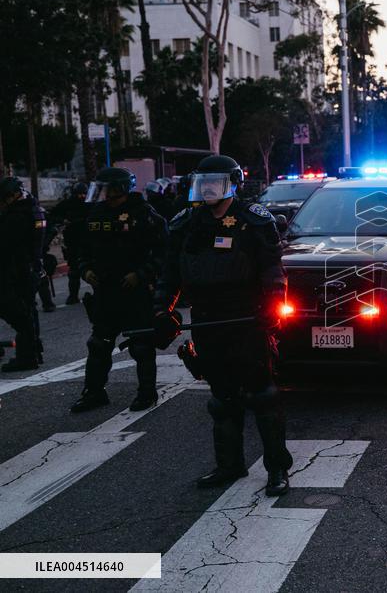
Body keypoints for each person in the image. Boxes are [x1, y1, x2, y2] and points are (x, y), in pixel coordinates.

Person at [153, 155, 292, 496]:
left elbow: (272, 270)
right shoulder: (186, 223)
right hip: (206, 320)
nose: (209, 189)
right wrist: (162, 311)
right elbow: (169, 274)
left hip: (247, 319)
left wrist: (274, 305)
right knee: (221, 398)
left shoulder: (254, 221)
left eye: (216, 182)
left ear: (232, 183)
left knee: (263, 396)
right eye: (204, 182)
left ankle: (277, 469)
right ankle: (229, 465)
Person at [70, 167, 167, 412]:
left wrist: (141, 274)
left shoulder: (144, 215)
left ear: (121, 189)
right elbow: (81, 251)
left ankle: (147, 393)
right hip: (105, 290)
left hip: (134, 291)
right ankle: (94, 392)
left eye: (109, 189)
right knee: (99, 344)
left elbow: (164, 252)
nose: (104, 194)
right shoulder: (95, 215)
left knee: (141, 344)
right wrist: (86, 270)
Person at [0, 177, 46, 372]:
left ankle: (27, 356)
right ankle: (33, 350)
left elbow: (6, 243)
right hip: (29, 267)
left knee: (19, 311)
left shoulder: (17, 215)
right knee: (28, 309)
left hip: (17, 268)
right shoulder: (33, 209)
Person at [48, 182, 91, 305]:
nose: (82, 197)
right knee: (74, 270)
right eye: (79, 194)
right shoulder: (67, 205)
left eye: (84, 194)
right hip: (73, 241)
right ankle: (73, 296)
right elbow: (52, 215)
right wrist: (63, 220)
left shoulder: (90, 205)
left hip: (89, 241)